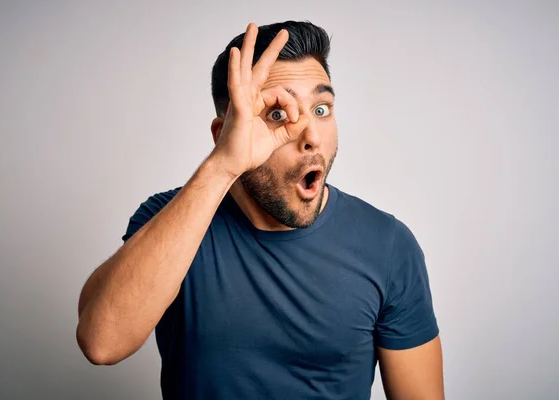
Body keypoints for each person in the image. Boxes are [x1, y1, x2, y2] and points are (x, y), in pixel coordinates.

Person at [76, 20, 444, 400]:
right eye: (278, 115)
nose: (311, 136)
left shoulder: (387, 245)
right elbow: (101, 342)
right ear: (224, 134)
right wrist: (222, 165)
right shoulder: (167, 220)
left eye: (321, 108)